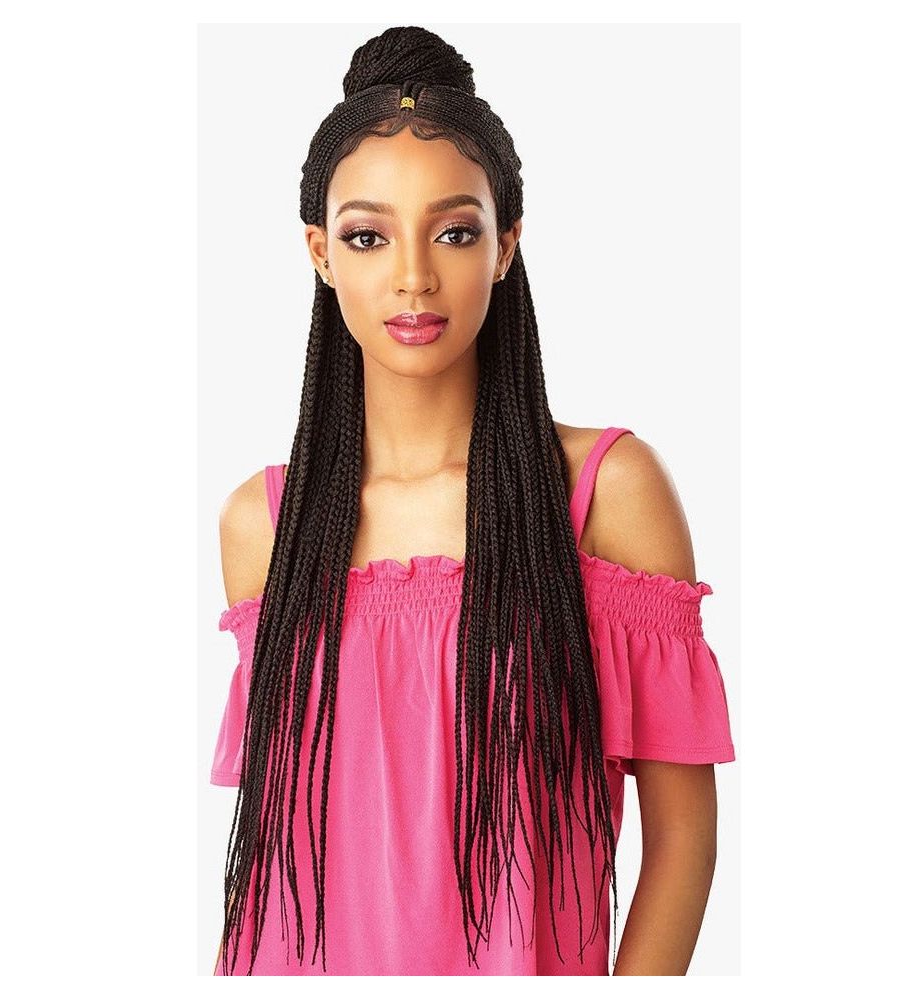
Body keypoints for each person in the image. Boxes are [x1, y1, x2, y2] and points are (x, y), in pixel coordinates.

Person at [209, 25, 735, 976]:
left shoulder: (603, 492)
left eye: (454, 231)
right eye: (368, 236)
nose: (413, 275)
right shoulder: (266, 523)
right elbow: (275, 858)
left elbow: (681, 843)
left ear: (506, 245)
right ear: (321, 253)